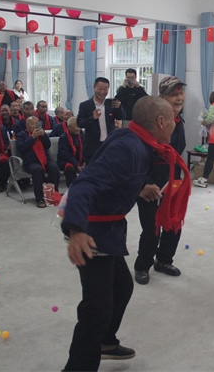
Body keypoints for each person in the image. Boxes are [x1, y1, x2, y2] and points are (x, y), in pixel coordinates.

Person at [61, 96, 190, 372]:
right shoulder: (129, 148)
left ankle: (105, 342)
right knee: (96, 309)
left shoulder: (135, 140)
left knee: (122, 287)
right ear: (160, 122)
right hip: (91, 231)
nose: (174, 125)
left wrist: (140, 186)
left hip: (108, 230)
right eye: (172, 120)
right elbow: (84, 184)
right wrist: (76, 230)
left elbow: (118, 173)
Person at [134, 76, 187, 285]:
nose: (179, 98)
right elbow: (139, 158)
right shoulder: (151, 122)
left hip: (173, 181)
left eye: (181, 93)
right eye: (174, 94)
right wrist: (144, 184)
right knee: (152, 228)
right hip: (150, 183)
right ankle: (142, 266)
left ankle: (164, 260)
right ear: (162, 98)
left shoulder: (178, 121)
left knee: (173, 224)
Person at [77, 77, 125, 164]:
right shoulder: (85, 105)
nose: (102, 92)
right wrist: (92, 118)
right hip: (92, 147)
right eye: (100, 88)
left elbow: (121, 116)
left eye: (105, 89)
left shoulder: (111, 104)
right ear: (94, 88)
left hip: (108, 144)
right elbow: (80, 123)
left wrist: (119, 108)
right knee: (92, 170)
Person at [15, 116, 60, 208]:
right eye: (32, 124)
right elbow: (21, 148)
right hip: (31, 161)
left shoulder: (41, 133)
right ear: (27, 125)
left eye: (37, 124)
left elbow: (48, 145)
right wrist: (32, 138)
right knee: (37, 169)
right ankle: (39, 198)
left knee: (54, 168)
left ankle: (54, 194)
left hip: (45, 159)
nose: (35, 126)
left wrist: (44, 136)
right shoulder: (21, 135)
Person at [57, 117, 84, 188]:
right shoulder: (63, 138)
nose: (78, 128)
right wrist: (77, 165)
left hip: (79, 160)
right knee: (70, 169)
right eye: (76, 126)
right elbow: (65, 155)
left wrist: (85, 162)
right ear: (69, 127)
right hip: (66, 160)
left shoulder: (82, 137)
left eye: (79, 126)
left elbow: (85, 151)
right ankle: (72, 190)